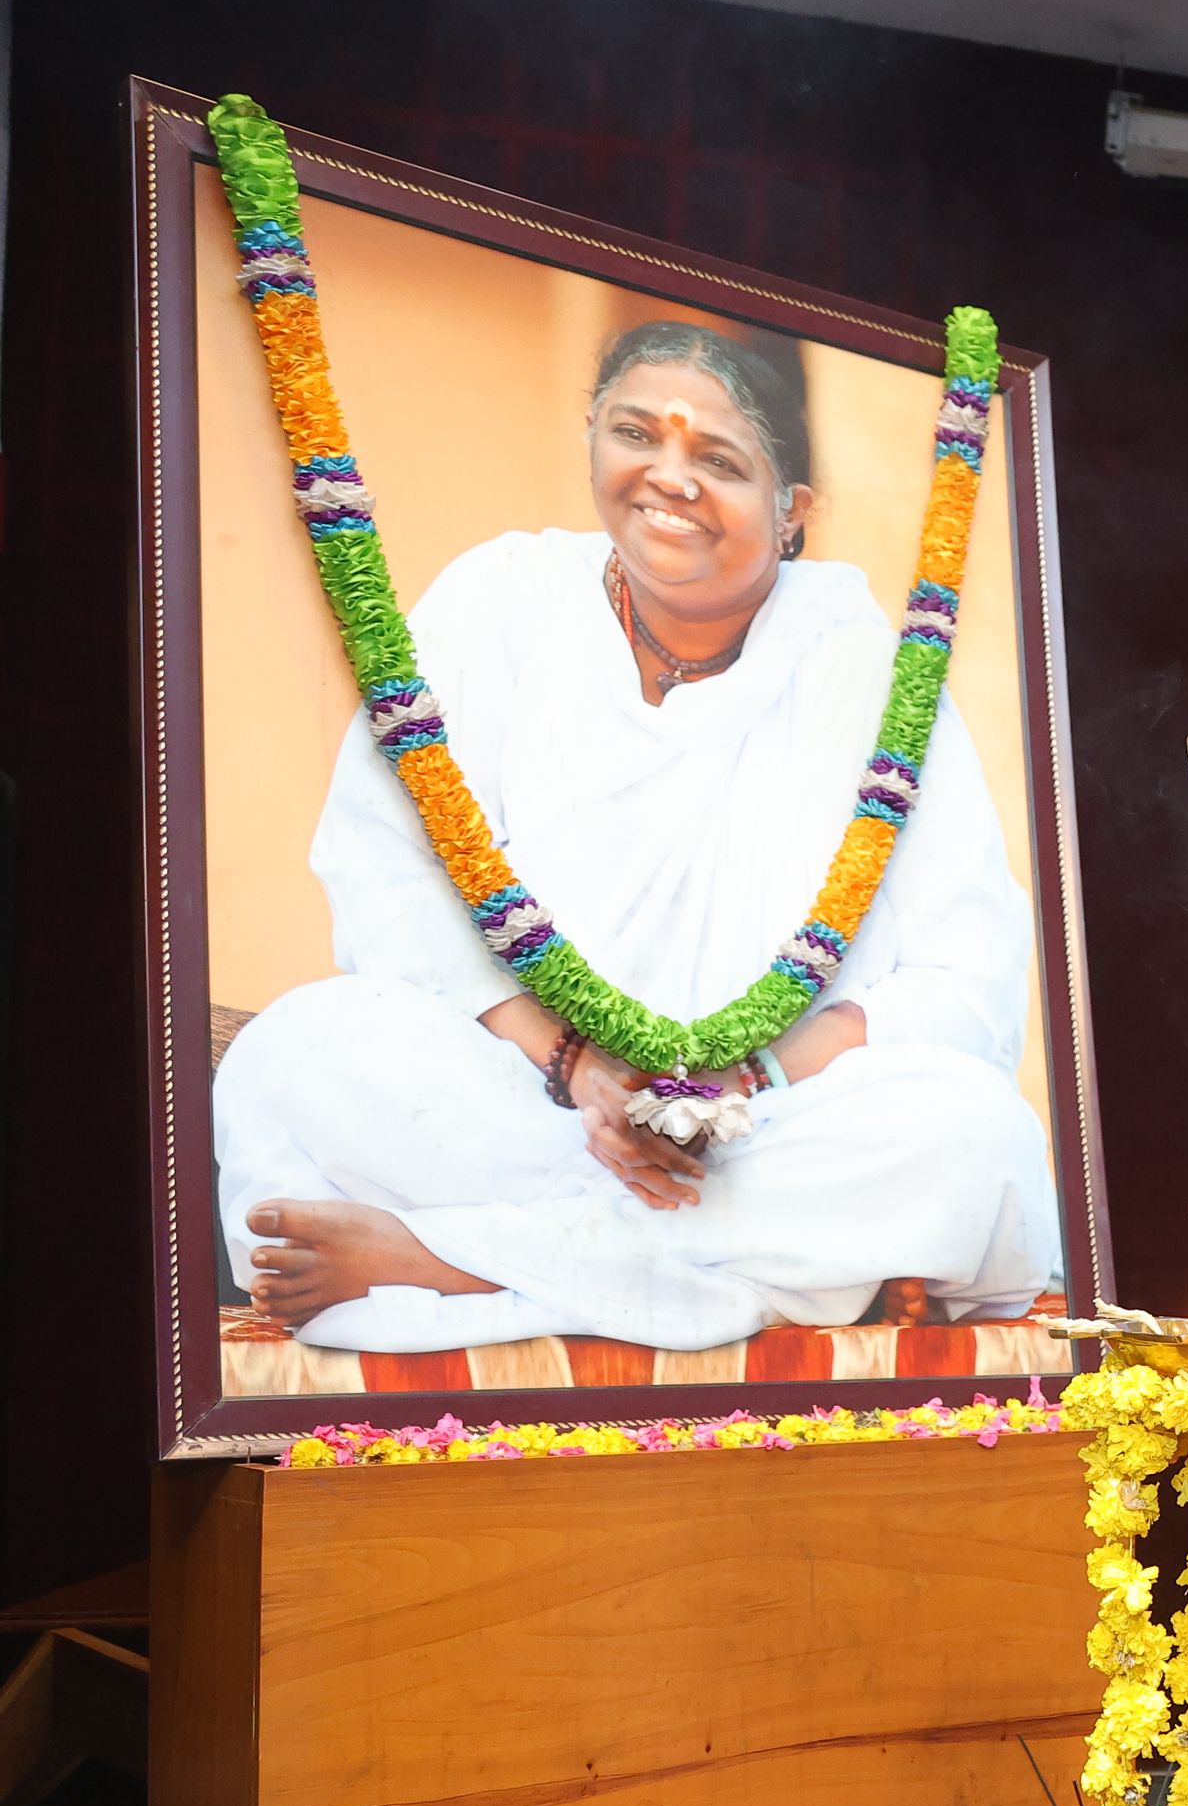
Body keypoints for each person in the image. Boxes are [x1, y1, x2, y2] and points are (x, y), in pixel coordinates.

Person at [212, 318, 1060, 1353]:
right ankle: (663, 1271)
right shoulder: (499, 604)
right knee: (294, 1053)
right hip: (521, 1097)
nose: (669, 479)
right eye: (635, 435)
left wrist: (732, 1086)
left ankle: (450, 1263)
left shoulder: (873, 675)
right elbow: (388, 873)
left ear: (793, 511)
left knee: (977, 1141)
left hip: (763, 1132)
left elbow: (964, 971)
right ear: (590, 441)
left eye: (719, 459)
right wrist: (579, 1066)